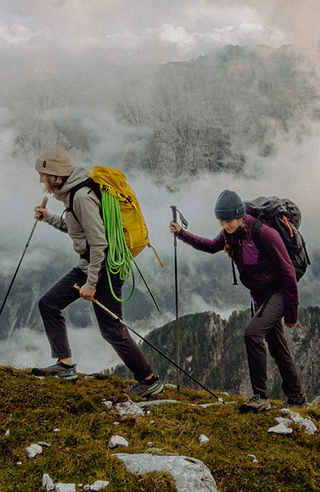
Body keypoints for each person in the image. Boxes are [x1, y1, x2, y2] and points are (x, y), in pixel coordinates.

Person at [30, 146, 163, 399]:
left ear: (56, 176)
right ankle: (65, 365)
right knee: (48, 303)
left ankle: (148, 380)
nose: (41, 180)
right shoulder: (72, 194)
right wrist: (49, 219)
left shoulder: (80, 197)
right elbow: (79, 230)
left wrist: (91, 284)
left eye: (43, 175)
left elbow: (99, 242)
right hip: (90, 264)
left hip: (103, 267)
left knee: (112, 329)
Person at [170, 189, 304, 411]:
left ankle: (260, 397)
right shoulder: (229, 234)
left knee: (252, 334)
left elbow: (288, 272)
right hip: (260, 295)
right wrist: (182, 234)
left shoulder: (265, 233)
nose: (225, 225)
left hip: (279, 291)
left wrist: (291, 311)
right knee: (277, 347)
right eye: (222, 221)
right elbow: (210, 247)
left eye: (229, 220)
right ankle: (297, 399)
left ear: (240, 215)